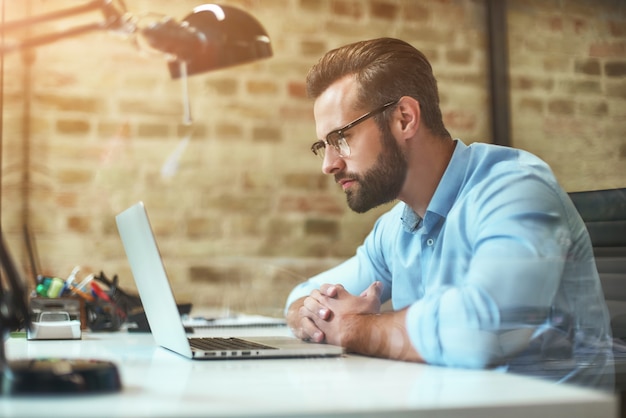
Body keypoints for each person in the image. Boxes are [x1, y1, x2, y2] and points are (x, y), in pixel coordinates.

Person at [284, 37, 614, 389]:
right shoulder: (396, 228)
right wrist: (308, 312)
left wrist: (350, 327)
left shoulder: (515, 188)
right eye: (323, 146)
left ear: (404, 118)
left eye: (341, 138)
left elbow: (482, 329)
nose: (329, 165)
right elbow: (302, 293)